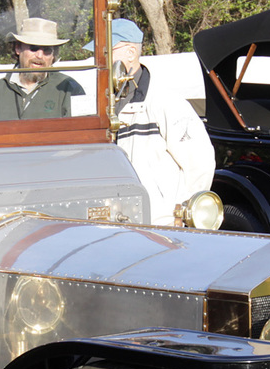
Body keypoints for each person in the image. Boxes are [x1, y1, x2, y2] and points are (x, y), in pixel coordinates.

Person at [89, 18, 215, 225]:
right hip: (116, 223)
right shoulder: (105, 103)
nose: (98, 60)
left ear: (130, 53)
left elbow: (200, 164)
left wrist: (184, 215)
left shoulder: (166, 101)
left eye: (104, 53)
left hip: (160, 224)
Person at [0, 18, 86, 121]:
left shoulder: (69, 89)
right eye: (33, 48)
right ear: (18, 48)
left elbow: (85, 134)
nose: (40, 55)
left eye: (47, 50)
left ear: (53, 55)